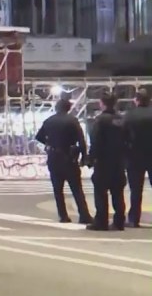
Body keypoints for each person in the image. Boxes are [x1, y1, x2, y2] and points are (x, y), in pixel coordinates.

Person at [34, 98, 93, 224]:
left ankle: (63, 216)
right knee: (77, 189)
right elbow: (81, 140)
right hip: (69, 157)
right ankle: (84, 215)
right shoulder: (72, 121)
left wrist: (50, 143)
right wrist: (83, 156)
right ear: (68, 108)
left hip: (54, 157)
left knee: (58, 189)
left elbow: (38, 137)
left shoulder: (49, 121)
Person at [87, 93, 126, 231]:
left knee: (101, 192)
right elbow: (129, 139)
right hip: (119, 161)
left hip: (103, 162)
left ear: (102, 103)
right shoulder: (121, 119)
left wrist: (90, 159)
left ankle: (101, 221)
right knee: (118, 192)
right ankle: (119, 221)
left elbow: (95, 141)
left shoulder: (100, 120)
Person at [123, 87, 152, 228]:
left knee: (135, 190)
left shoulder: (129, 115)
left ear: (136, 100)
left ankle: (134, 219)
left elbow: (123, 136)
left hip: (134, 156)